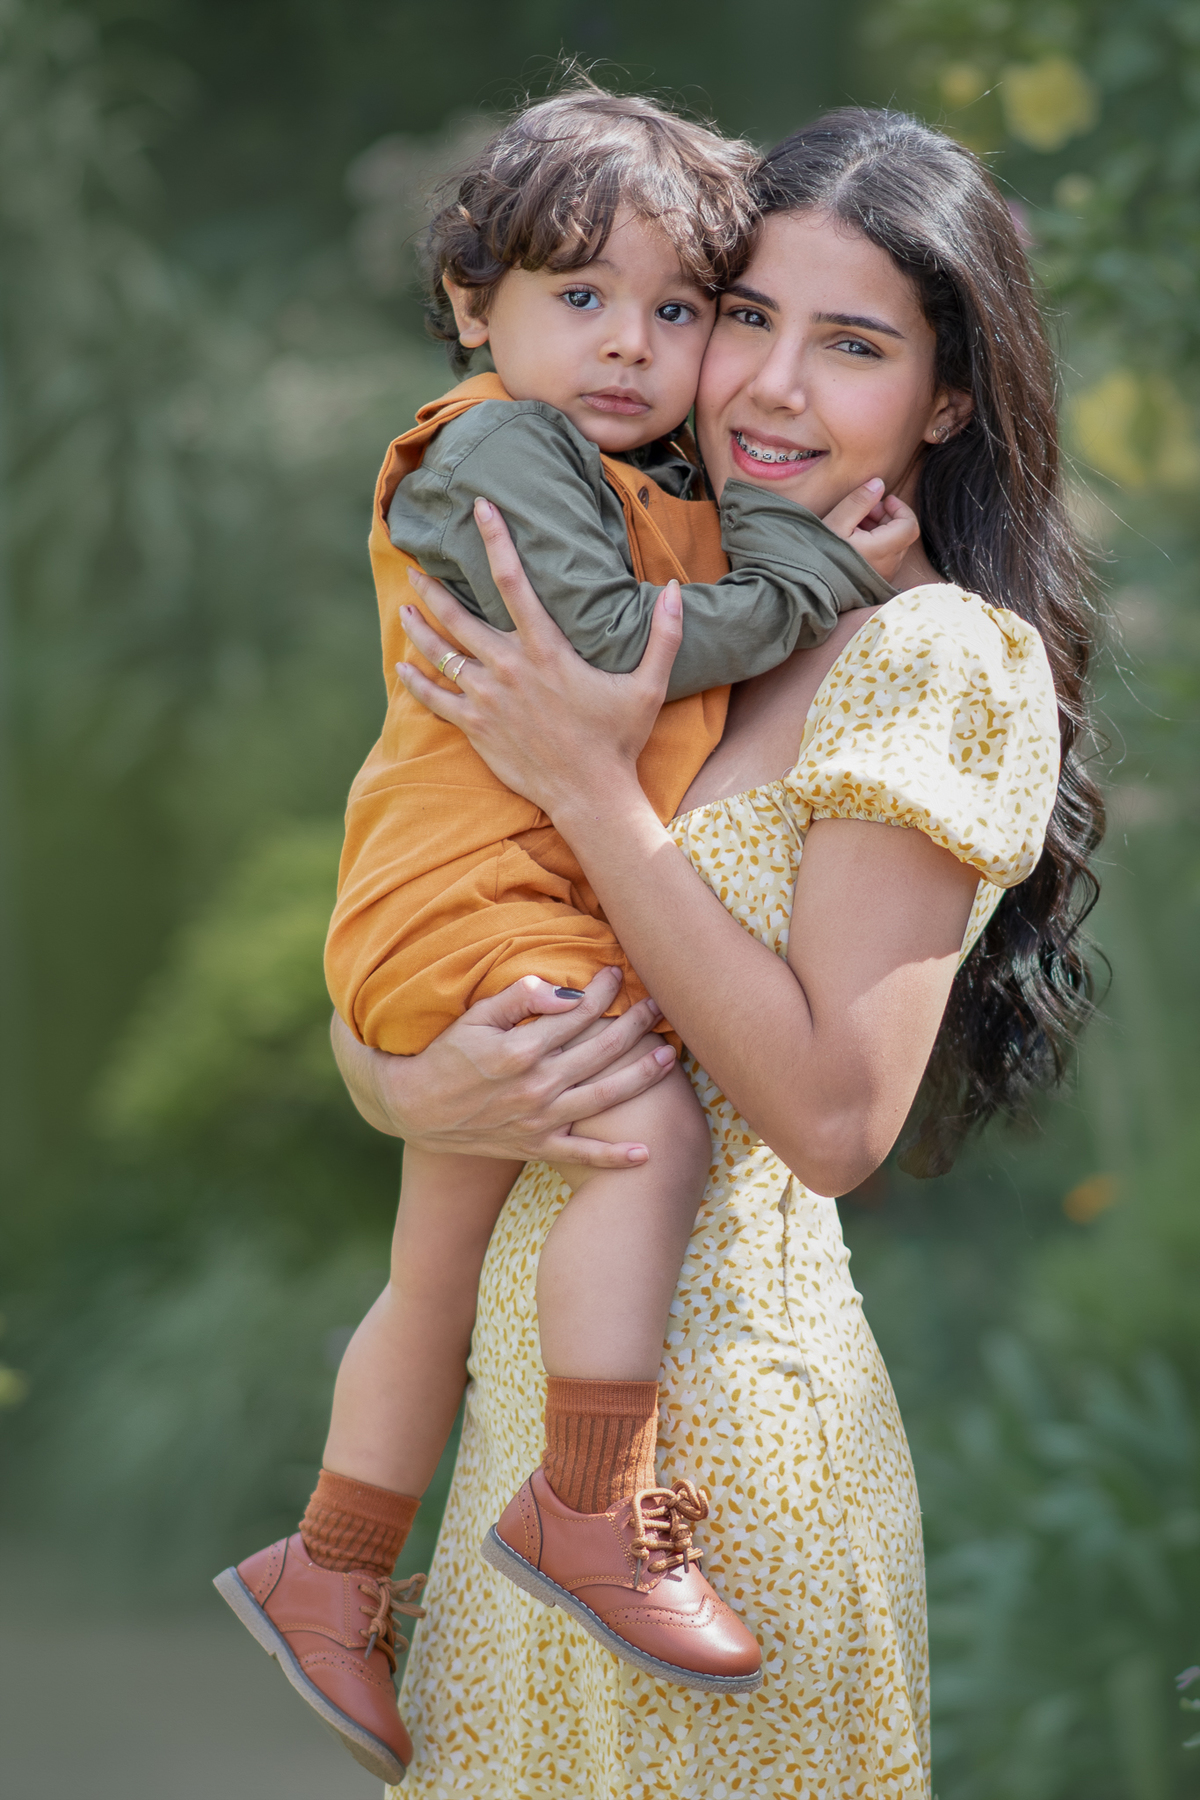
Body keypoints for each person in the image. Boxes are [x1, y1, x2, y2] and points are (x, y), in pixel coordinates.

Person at [336, 107, 1102, 1798]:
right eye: (740, 315)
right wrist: (405, 1079)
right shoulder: (697, 597)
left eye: (852, 346)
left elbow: (835, 1121)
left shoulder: (932, 653)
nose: (765, 384)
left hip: (724, 1478)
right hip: (525, 1475)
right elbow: (462, 897)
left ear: (948, 400)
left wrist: (594, 791)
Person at [216, 85, 921, 1782]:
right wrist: (814, 572)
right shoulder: (500, 450)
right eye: (579, 297)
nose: (632, 346)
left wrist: (774, 547)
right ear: (475, 307)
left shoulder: (619, 467)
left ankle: (329, 1563)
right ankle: (590, 1500)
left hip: (484, 900)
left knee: (431, 1276)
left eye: (677, 309)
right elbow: (607, 656)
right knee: (646, 1126)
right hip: (482, 898)